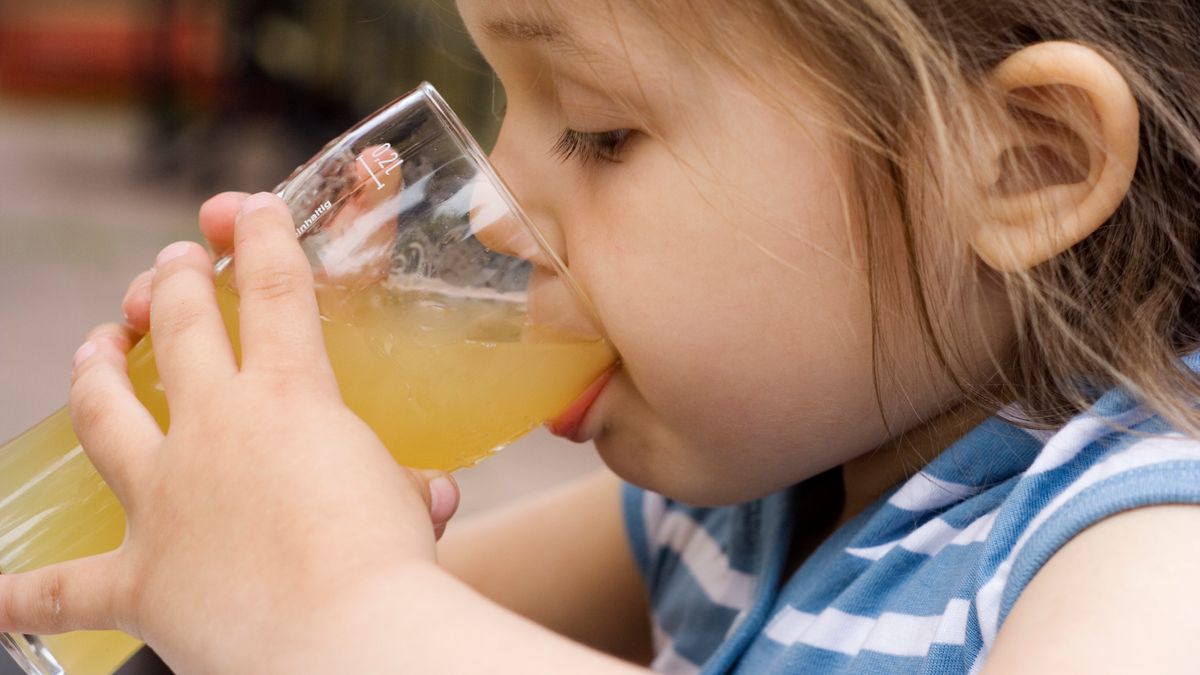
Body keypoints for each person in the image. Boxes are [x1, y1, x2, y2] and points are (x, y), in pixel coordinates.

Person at [5, 0, 1200, 671]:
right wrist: (272, 499)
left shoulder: (1145, 543)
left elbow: (357, 624)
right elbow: (267, 605)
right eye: (497, 106)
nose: (486, 209)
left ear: (1022, 166)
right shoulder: (743, 500)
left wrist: (338, 612)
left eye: (598, 129)